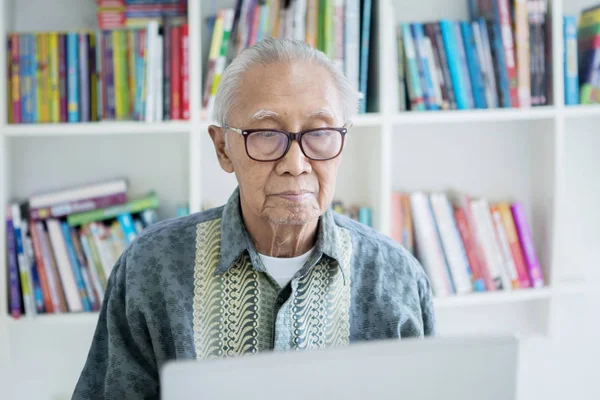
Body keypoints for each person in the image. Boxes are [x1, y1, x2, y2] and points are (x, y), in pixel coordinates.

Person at [72, 38, 435, 399]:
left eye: (320, 133)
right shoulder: (151, 268)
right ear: (222, 148)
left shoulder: (397, 276)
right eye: (265, 134)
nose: (296, 165)